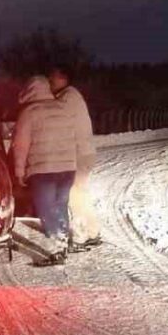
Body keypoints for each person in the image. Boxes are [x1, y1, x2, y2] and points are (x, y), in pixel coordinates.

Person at [12, 76, 79, 266]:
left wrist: (19, 171)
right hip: (68, 168)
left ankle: (57, 249)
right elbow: (73, 138)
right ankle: (64, 242)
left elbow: (21, 145)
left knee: (46, 209)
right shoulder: (63, 109)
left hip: (43, 170)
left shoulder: (29, 112)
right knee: (60, 205)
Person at [48, 66, 102, 251]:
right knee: (81, 195)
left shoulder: (67, 98)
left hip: (78, 155)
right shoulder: (70, 96)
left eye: (53, 78)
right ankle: (92, 232)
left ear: (64, 78)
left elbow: (52, 119)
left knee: (74, 196)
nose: (50, 82)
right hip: (83, 153)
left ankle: (81, 236)